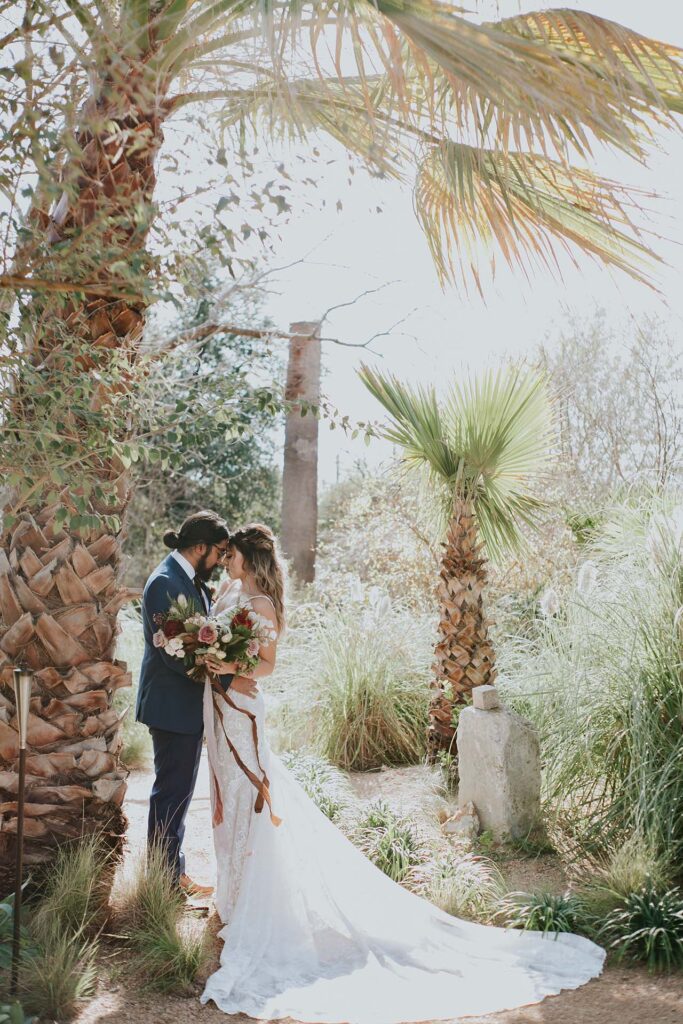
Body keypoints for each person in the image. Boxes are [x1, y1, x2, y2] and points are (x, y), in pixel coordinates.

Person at [200, 523, 606, 1023]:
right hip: (216, 707)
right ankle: (232, 892)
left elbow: (266, 666)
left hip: (239, 707)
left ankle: (249, 901)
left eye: (231, 555)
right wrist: (206, 656)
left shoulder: (261, 606)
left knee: (250, 794)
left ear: (248, 557)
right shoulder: (229, 592)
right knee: (225, 792)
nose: (225, 561)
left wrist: (228, 668)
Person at [136, 510, 256, 897]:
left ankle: (171, 870)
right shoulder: (164, 583)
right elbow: (174, 653)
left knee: (179, 791)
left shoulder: (193, 582)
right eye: (220, 551)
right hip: (171, 707)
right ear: (200, 547)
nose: (222, 559)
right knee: (171, 791)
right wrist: (228, 677)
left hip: (188, 706)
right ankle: (164, 880)